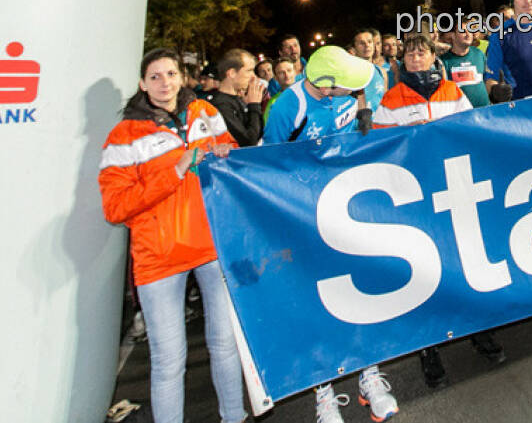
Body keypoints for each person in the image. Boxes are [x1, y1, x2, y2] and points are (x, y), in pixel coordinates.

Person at [98, 48, 246, 423]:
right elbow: (115, 207)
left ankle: (234, 416)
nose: (164, 83)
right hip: (160, 257)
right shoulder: (123, 135)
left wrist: (227, 153)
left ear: (182, 76)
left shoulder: (205, 113)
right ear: (141, 85)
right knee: (168, 361)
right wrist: (177, 169)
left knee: (226, 346)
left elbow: (231, 158)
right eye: (155, 77)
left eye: (170, 74)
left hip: (212, 245)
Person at [262, 46, 401, 422]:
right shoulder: (287, 107)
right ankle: (324, 390)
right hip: (304, 212)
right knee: (319, 297)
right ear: (325, 87)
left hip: (348, 204)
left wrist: (365, 121)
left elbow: (374, 83)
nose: (356, 90)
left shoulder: (353, 90)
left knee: (362, 288)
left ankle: (368, 375)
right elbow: (267, 161)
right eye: (347, 87)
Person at [373, 34, 507, 387]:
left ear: (434, 58)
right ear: (402, 61)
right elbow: (378, 146)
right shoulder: (390, 99)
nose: (415, 57)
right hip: (415, 196)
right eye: (410, 53)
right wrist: (406, 137)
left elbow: (469, 132)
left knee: (464, 260)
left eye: (422, 52)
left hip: (453, 189)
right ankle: (428, 346)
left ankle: (479, 330)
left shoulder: (452, 91)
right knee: (426, 268)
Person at [209, 48, 266, 146]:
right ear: (232, 73)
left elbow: (260, 134)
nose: (254, 76)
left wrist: (252, 107)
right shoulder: (221, 105)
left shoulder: (239, 99)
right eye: (249, 71)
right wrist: (254, 105)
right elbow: (248, 142)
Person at [439, 18, 490, 108]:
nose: (468, 35)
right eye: (463, 32)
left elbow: (487, 79)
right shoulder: (444, 61)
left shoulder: (479, 54)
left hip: (484, 112)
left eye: (470, 31)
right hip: (461, 115)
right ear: (453, 36)